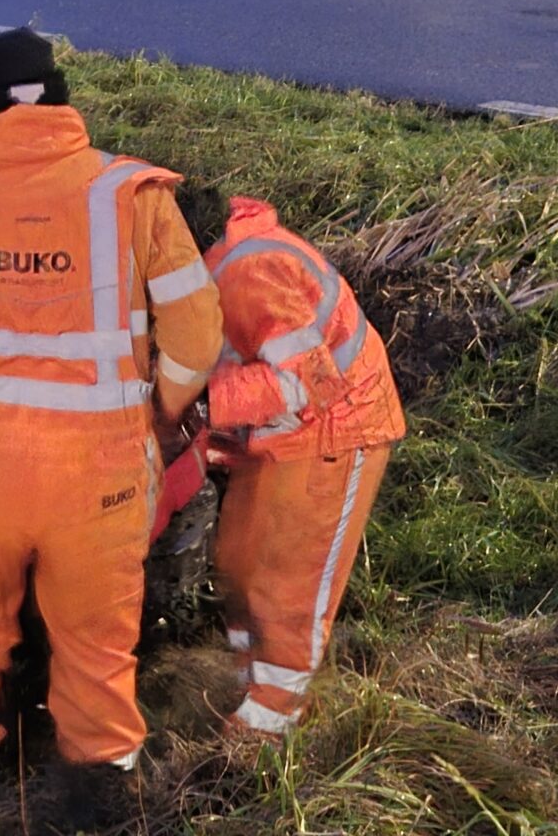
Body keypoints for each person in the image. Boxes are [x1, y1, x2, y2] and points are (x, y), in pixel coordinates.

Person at [0, 28, 223, 833]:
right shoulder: (132, 195)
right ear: (61, 95)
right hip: (97, 479)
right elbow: (196, 337)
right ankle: (99, 814)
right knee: (95, 662)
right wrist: (154, 414)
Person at [200, 195, 405, 737]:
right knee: (238, 567)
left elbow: (307, 382)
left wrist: (203, 404)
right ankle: (249, 687)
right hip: (280, 439)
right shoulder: (214, 273)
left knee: (285, 585)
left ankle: (266, 733)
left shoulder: (250, 274)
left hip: (334, 434)